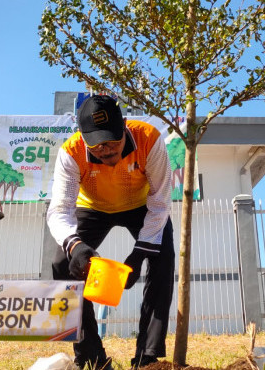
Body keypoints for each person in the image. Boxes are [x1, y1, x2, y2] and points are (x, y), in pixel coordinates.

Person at [47, 95, 175, 370]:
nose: (106, 150)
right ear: (82, 137)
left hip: (141, 205)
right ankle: (90, 355)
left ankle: (148, 357)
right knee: (62, 263)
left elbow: (160, 203)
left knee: (162, 257)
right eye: (97, 144)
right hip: (92, 206)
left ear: (125, 127)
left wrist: (140, 253)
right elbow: (59, 210)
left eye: (112, 141)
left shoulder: (149, 140)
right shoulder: (71, 152)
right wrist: (76, 246)